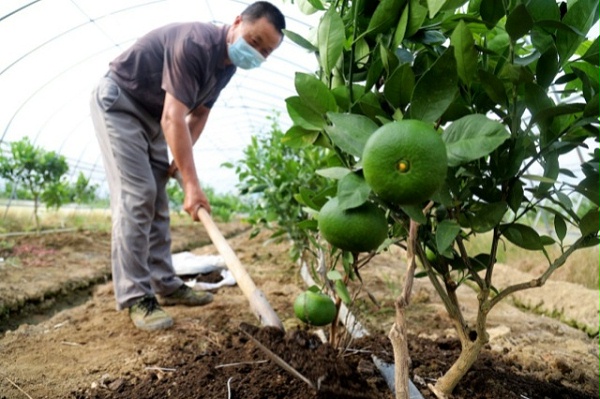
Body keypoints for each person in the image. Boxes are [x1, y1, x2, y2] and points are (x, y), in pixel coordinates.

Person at [89, 2, 286, 331]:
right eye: (254, 42)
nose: (257, 54)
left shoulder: (227, 66)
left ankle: (165, 284)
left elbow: (200, 114)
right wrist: (193, 186)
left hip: (152, 119)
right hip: (121, 105)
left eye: (265, 52)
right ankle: (137, 296)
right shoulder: (196, 44)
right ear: (237, 22)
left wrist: (179, 167)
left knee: (158, 201)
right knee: (138, 196)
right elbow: (174, 117)